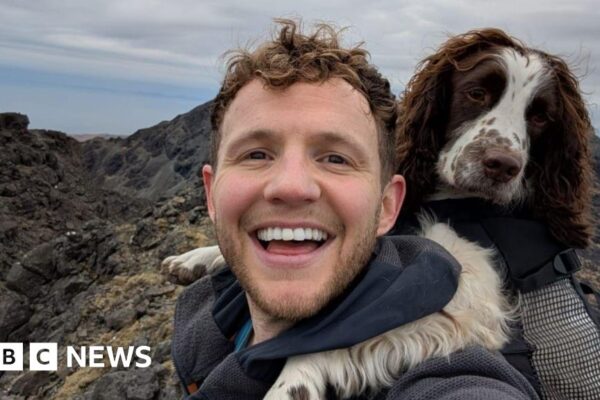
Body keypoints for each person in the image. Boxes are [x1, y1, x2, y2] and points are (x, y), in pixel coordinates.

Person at [171, 19, 539, 400]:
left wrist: (318, 361)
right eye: (256, 154)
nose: (292, 187)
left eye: (336, 158)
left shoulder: (453, 377)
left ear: (387, 205)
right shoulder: (207, 323)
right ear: (211, 194)